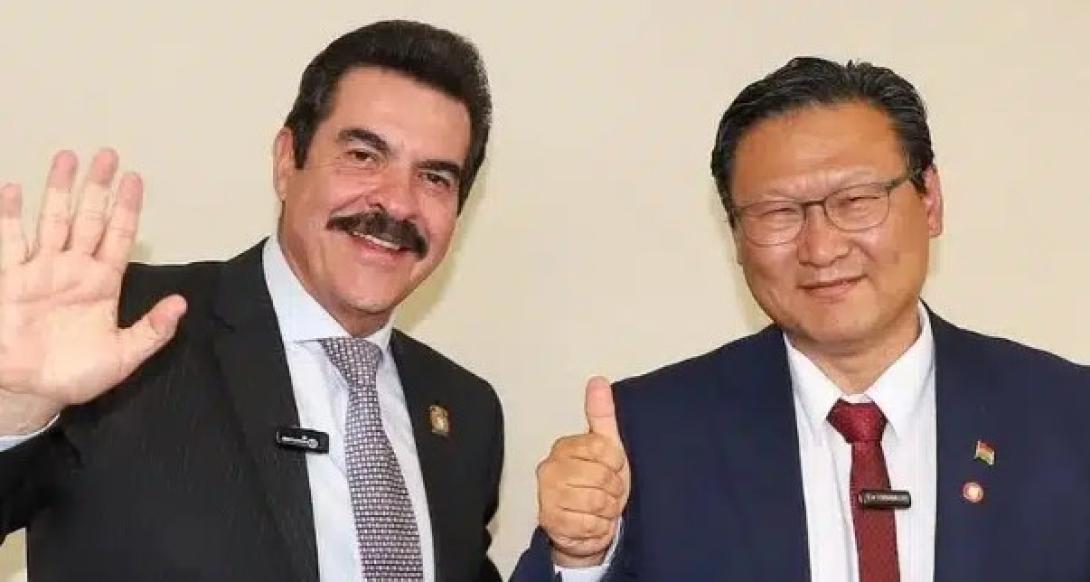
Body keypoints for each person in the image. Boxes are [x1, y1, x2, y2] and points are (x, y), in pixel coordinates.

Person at [514, 57, 1090, 581]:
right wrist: (582, 559)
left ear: (930, 201)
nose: (821, 247)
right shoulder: (650, 437)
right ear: (736, 236)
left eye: (856, 201)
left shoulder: (1067, 417)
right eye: (777, 213)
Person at [0, 19, 502, 582]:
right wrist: (13, 410)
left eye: (434, 178)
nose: (398, 203)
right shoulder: (123, 329)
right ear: (287, 161)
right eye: (364, 155)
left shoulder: (467, 412)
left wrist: (571, 561)